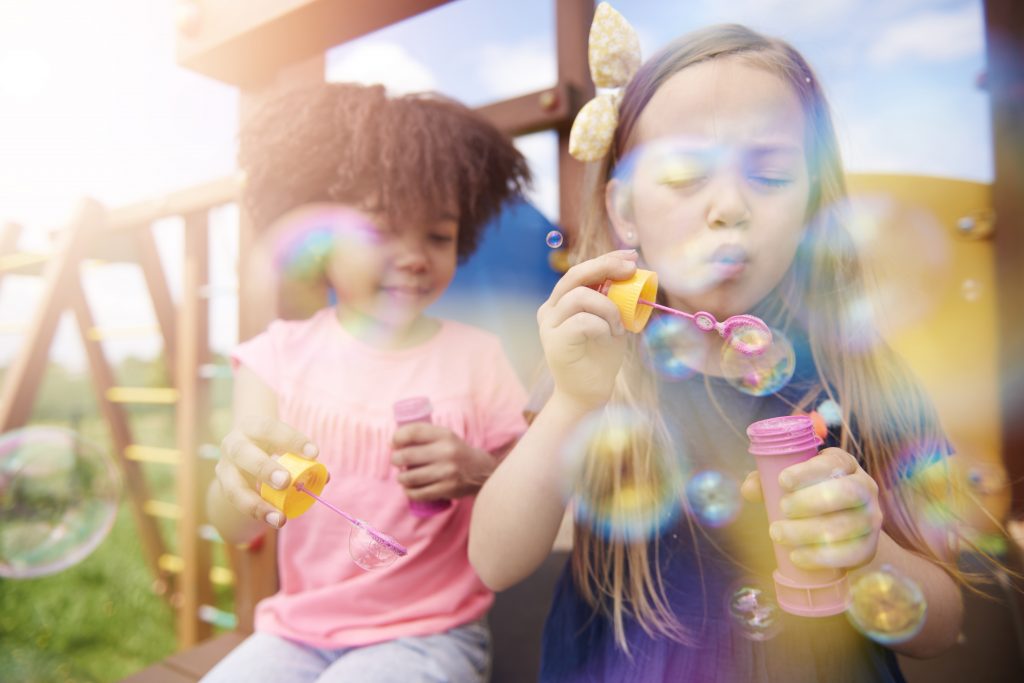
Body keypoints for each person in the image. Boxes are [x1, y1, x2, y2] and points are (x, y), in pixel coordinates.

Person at [470, 6, 970, 682]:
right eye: (683, 175)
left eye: (768, 173)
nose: (729, 206)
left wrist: (866, 551)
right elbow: (495, 560)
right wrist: (572, 401)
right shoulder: (598, 364)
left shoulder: (861, 374)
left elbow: (942, 625)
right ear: (625, 211)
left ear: (812, 204)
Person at [203, 82, 532, 683]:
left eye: (438, 235)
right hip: (293, 636)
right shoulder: (276, 357)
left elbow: (530, 487)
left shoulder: (477, 358)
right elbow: (235, 525)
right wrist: (238, 485)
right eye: (380, 230)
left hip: (430, 634)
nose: (414, 256)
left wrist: (476, 470)